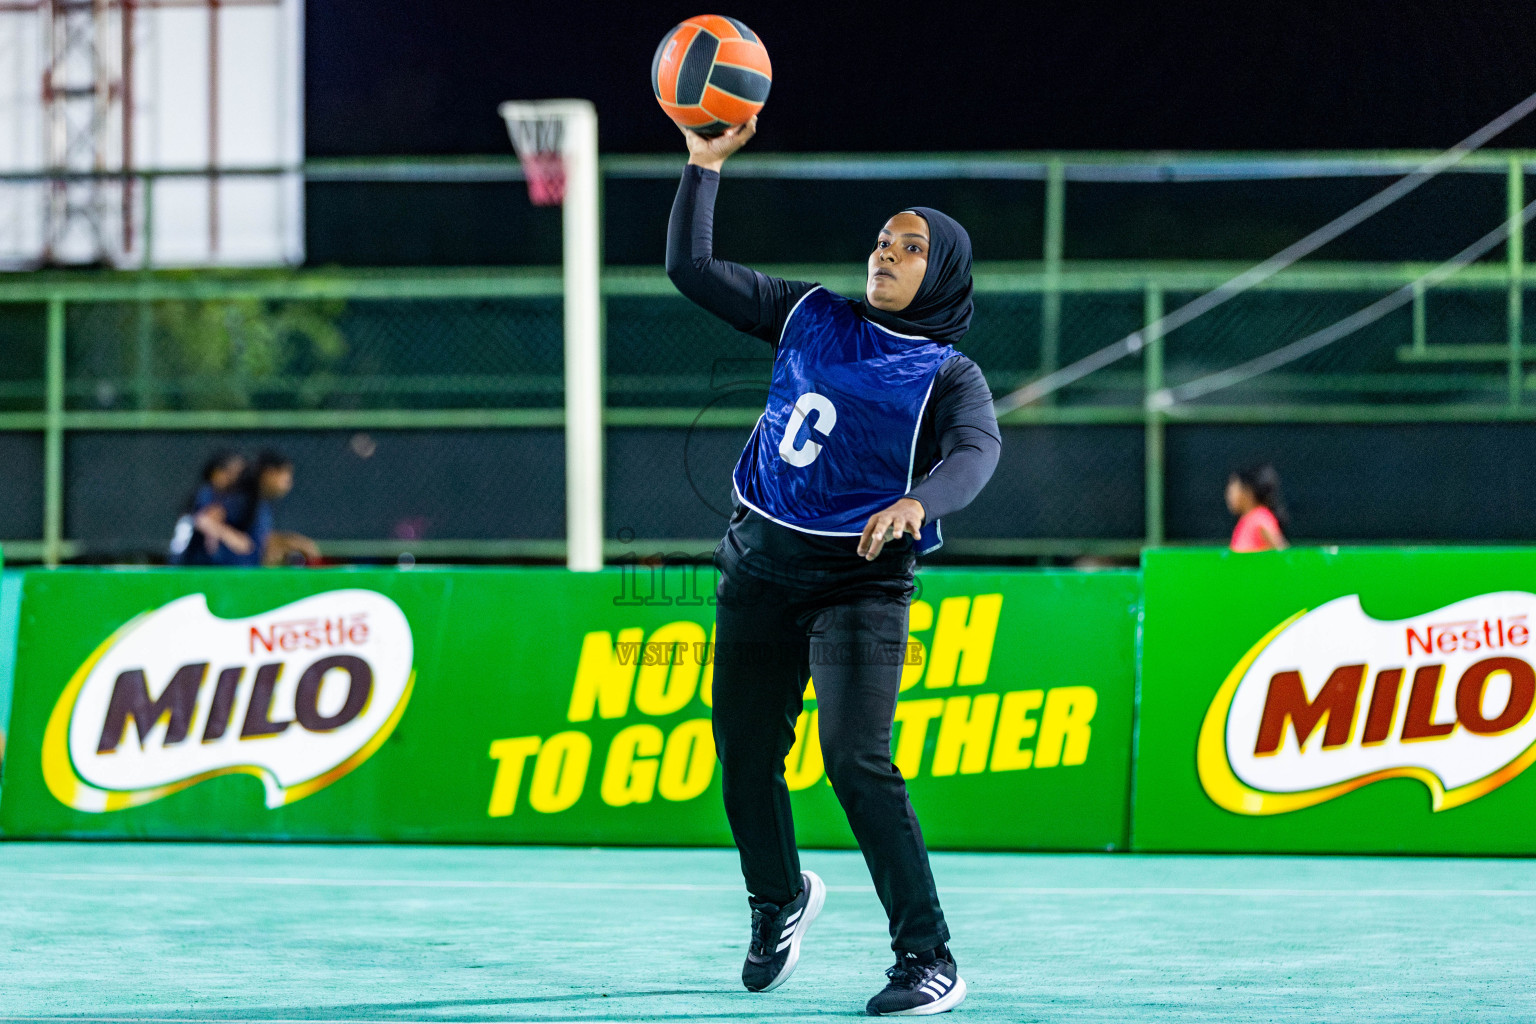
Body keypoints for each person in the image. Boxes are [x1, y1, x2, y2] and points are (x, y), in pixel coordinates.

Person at [666, 117, 1000, 1017]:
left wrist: (918, 501)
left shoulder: (947, 374)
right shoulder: (808, 312)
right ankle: (777, 902)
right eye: (882, 240)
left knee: (856, 762)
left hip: (860, 582)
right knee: (742, 755)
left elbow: (977, 455)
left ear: (944, 273)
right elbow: (691, 272)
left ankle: (929, 958)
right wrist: (704, 166)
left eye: (910, 246)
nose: (885, 252)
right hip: (757, 565)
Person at [211, 450, 320, 567]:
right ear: (270, 473)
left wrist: (290, 543)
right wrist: (231, 537)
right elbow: (206, 519)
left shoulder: (262, 504)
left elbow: (259, 537)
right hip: (224, 572)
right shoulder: (242, 500)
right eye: (285, 474)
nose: (289, 482)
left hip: (248, 573)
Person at [169, 450, 251, 565]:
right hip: (190, 558)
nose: (234, 478)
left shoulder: (234, 498)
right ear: (216, 472)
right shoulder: (205, 493)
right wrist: (230, 536)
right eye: (229, 473)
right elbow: (202, 521)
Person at [1227, 463, 1289, 552]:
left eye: (1234, 489)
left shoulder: (1260, 518)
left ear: (1248, 492)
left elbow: (1283, 554)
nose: (1229, 496)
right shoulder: (1246, 520)